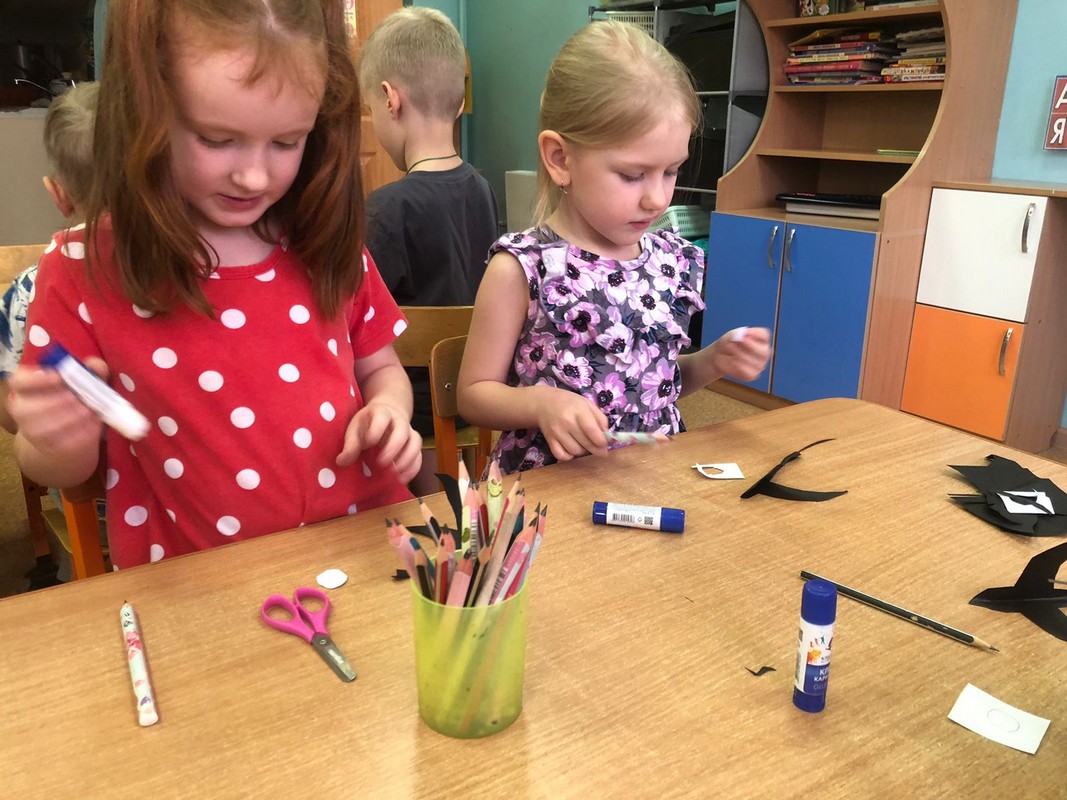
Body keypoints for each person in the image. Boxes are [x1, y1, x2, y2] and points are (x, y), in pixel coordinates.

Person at [7, 0, 422, 570]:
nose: (253, 176)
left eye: (287, 142)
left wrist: (392, 409)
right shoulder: (84, 267)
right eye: (217, 139)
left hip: (367, 549)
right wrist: (54, 438)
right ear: (144, 111)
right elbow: (59, 469)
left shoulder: (324, 238)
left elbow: (382, 369)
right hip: (202, 583)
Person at [457, 20, 772, 475]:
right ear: (560, 159)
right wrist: (541, 403)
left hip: (652, 480)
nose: (657, 198)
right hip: (555, 489)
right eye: (632, 175)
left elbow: (653, 384)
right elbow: (473, 394)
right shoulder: (524, 268)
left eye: (671, 171)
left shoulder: (668, 261)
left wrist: (712, 361)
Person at [358, 6, 498, 493]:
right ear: (458, 104)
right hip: (477, 400)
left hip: (411, 419)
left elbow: (357, 321)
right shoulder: (482, 188)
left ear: (389, 99)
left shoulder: (384, 209)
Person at [0, 82, 99, 435]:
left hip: (77, 471)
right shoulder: (201, 274)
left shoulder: (29, 289)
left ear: (57, 194)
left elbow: (12, 417)